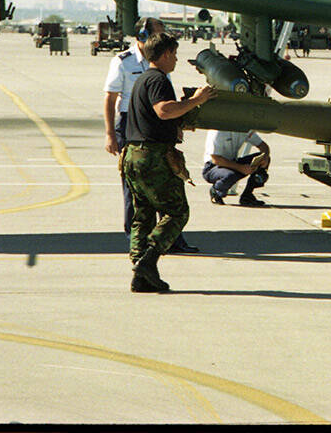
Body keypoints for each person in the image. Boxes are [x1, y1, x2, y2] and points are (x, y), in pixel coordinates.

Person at [121, 32, 216, 292]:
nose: (175, 59)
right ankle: (148, 260)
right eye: (173, 54)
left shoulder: (142, 79)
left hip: (133, 155)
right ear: (164, 55)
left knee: (143, 216)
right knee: (177, 211)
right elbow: (163, 110)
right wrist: (197, 100)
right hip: (152, 158)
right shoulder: (158, 79)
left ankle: (140, 276)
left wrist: (183, 114)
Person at [103, 17, 197, 254]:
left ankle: (164, 242)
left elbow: (165, 105)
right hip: (132, 125)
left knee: (157, 192)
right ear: (143, 36)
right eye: (158, 33)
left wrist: (176, 125)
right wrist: (110, 134)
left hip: (155, 125)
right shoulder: (124, 62)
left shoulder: (158, 68)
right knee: (139, 192)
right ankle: (140, 243)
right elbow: (111, 98)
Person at [203, 128, 271, 207]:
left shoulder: (242, 127)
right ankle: (216, 190)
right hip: (213, 167)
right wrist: (241, 168)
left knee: (263, 159)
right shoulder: (218, 131)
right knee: (229, 175)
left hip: (232, 162)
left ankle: (247, 196)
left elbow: (263, 145)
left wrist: (265, 157)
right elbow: (216, 159)